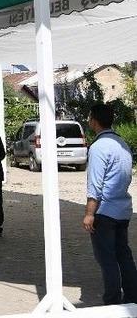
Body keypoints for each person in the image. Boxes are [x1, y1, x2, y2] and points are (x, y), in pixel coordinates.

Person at [83, 103, 137, 305]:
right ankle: (132, 297)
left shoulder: (98, 147)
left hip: (104, 212)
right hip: (122, 209)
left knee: (107, 260)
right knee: (124, 256)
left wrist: (89, 213)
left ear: (94, 121)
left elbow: (95, 185)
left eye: (89, 118)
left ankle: (112, 302)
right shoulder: (122, 144)